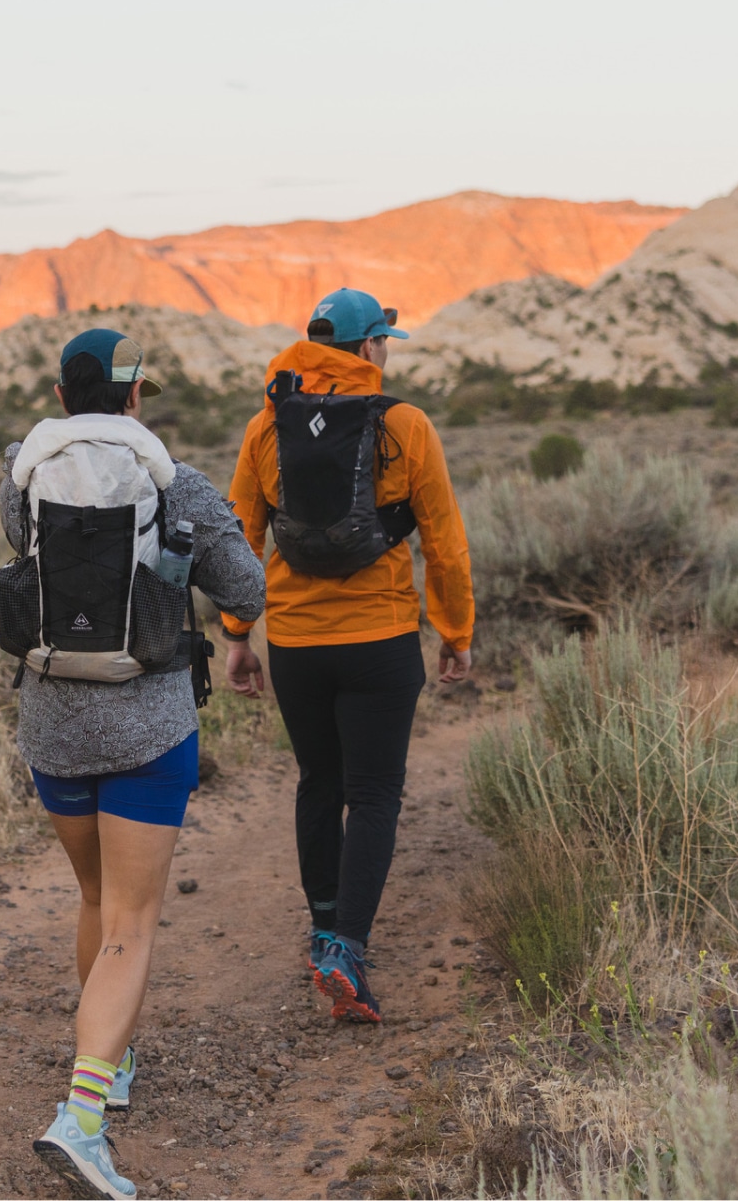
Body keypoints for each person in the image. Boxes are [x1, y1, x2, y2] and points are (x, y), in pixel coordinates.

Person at [0, 329, 267, 1200]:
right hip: (147, 727)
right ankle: (80, 1119)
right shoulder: (176, 484)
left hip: (53, 725)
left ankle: (111, 1066)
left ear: (62, 392)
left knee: (93, 898)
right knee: (132, 924)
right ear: (136, 393)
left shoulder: (25, 475)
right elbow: (247, 590)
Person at [220, 287, 473, 1025]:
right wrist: (453, 629)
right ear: (368, 349)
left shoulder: (265, 427)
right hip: (380, 642)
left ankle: (325, 926)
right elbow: (444, 543)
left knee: (317, 783)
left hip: (296, 644)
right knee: (373, 794)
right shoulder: (405, 425)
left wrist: (239, 634)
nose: (385, 352)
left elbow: (241, 538)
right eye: (384, 342)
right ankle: (348, 952)